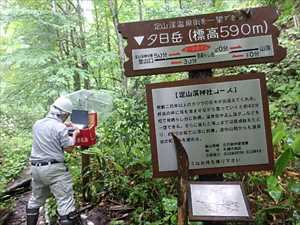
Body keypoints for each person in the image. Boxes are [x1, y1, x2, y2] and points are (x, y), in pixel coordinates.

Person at [26, 96, 82, 225]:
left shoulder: (37, 124)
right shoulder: (60, 127)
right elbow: (69, 148)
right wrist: (75, 134)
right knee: (65, 202)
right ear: (64, 114)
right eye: (67, 115)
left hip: (36, 168)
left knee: (35, 200)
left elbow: (49, 134)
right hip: (54, 169)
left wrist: (64, 125)